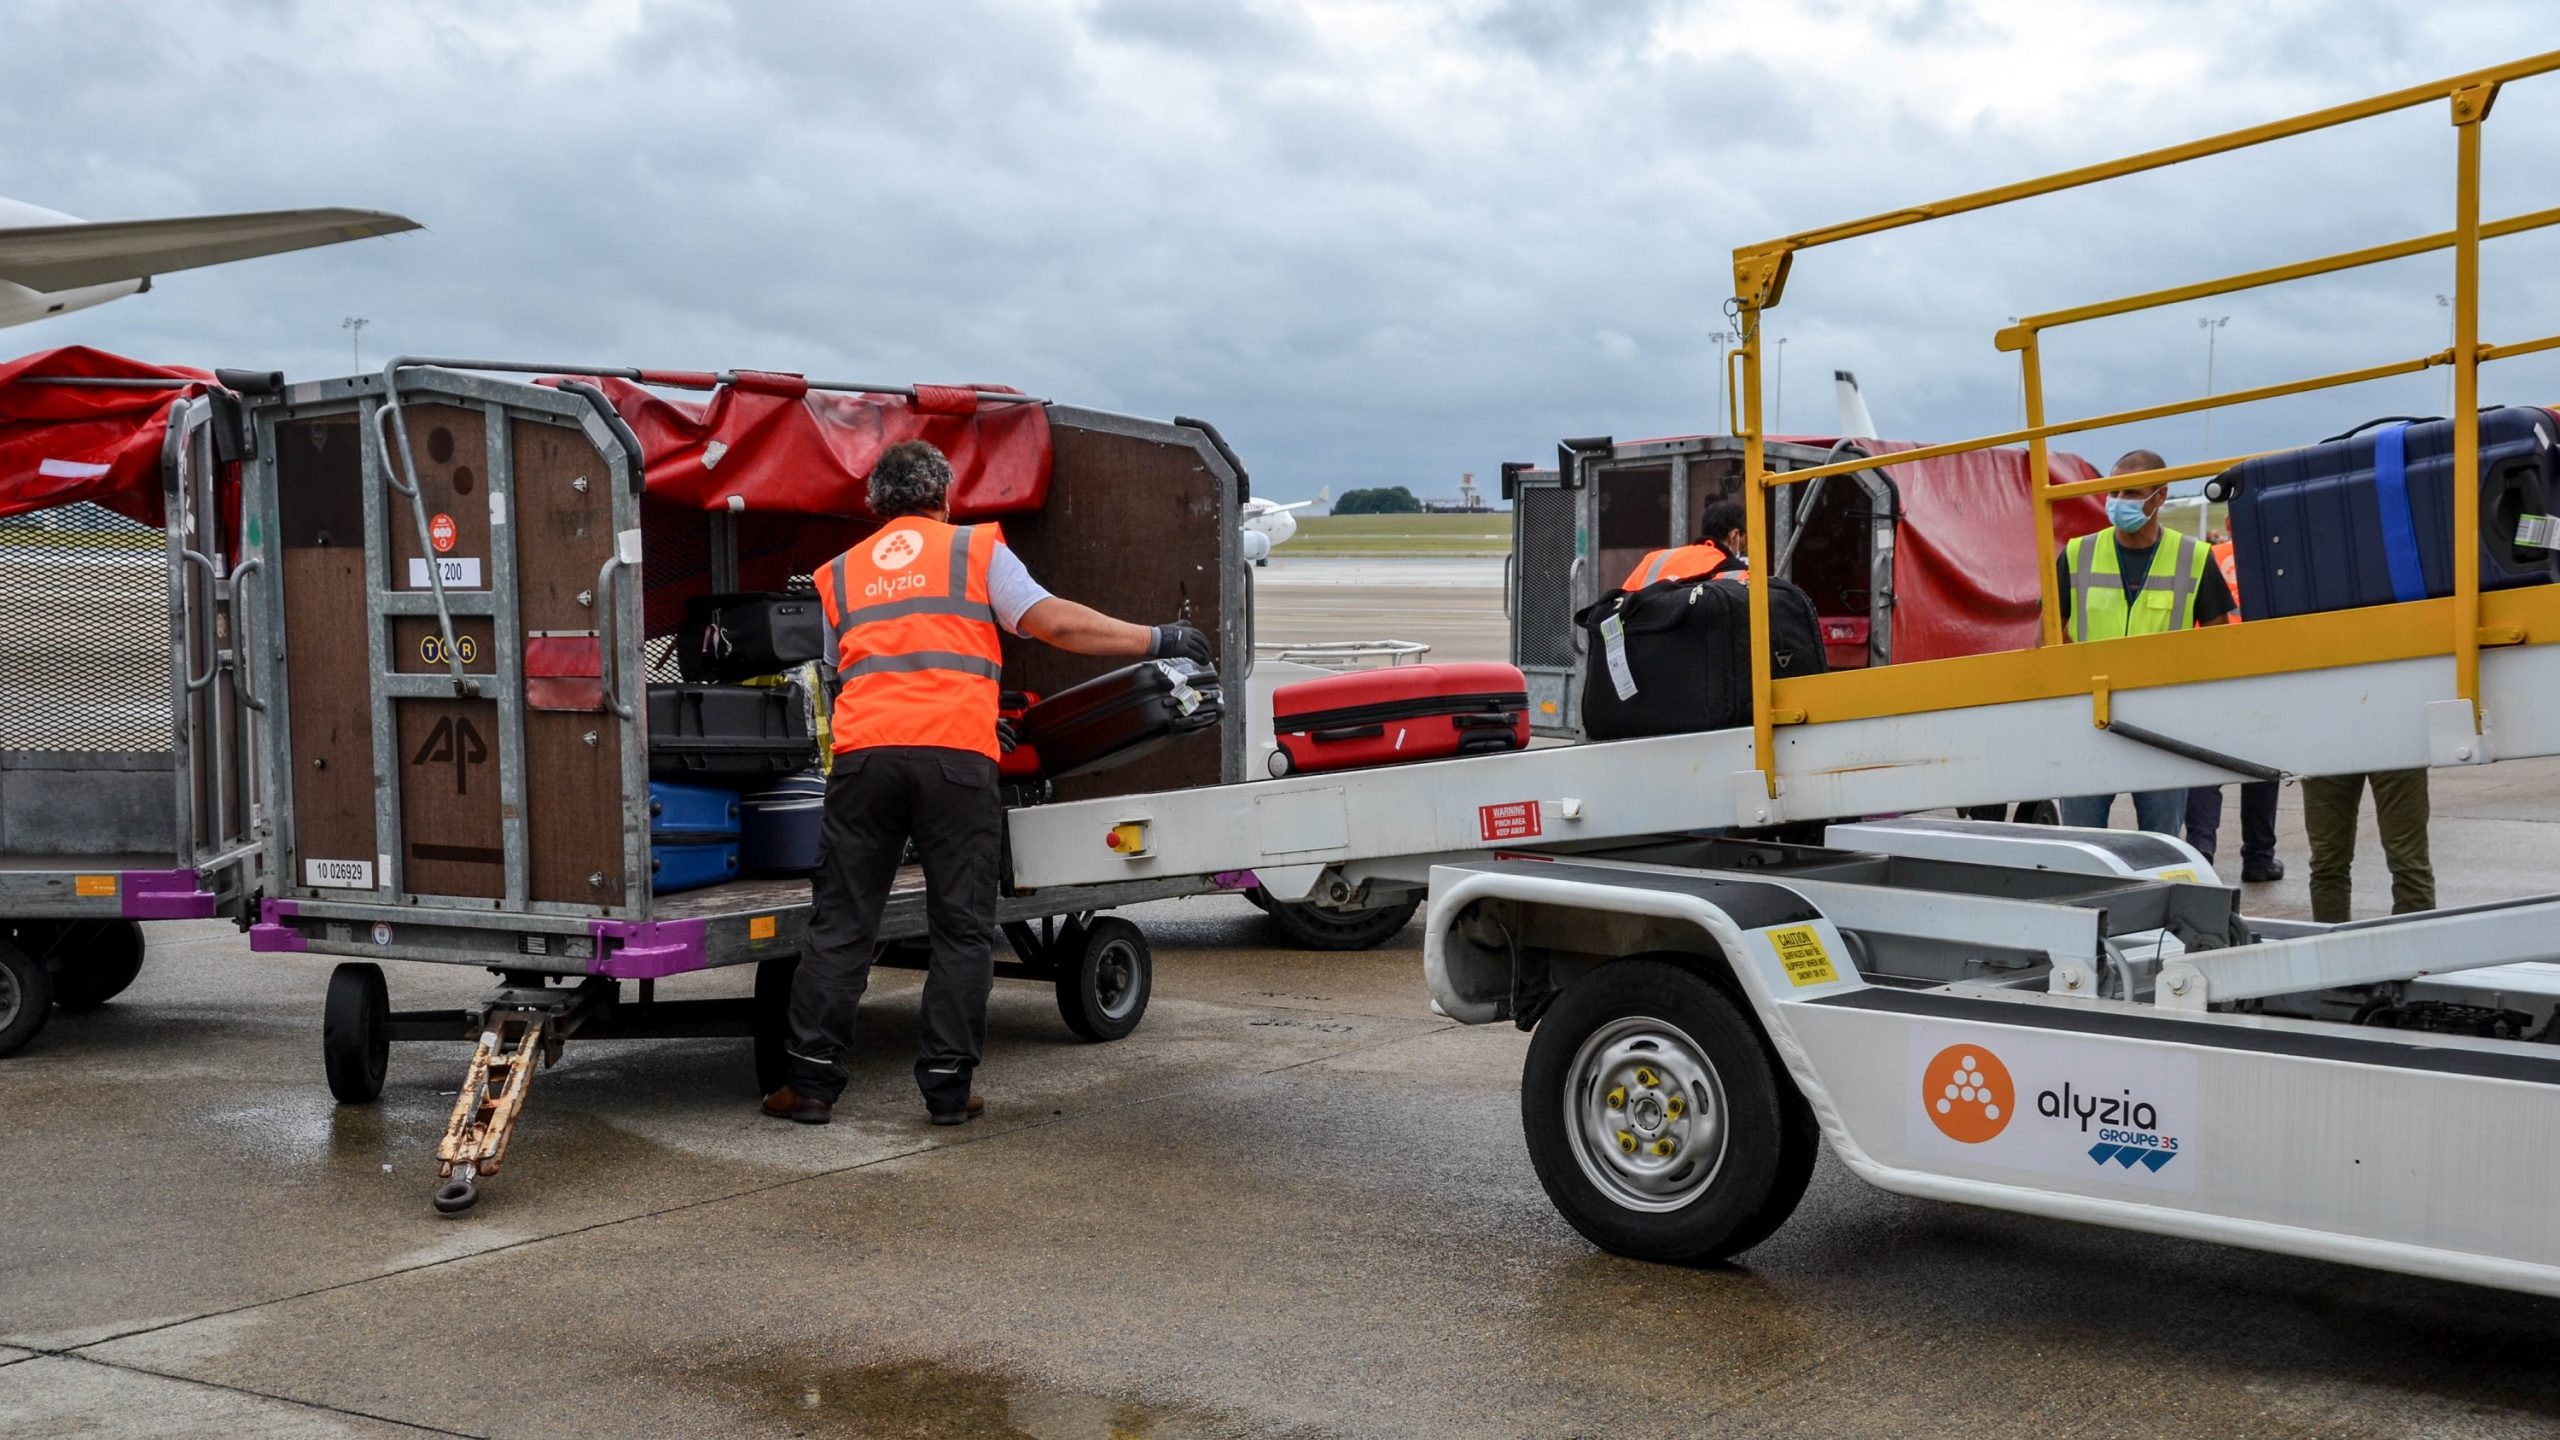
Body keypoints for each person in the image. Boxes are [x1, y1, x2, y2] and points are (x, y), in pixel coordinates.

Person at [764, 440, 1211, 1127]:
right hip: (956, 760)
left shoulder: (840, 574)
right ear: (945, 499)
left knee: (842, 927)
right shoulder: (974, 550)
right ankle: (947, 1091)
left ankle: (812, 1086)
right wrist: (1156, 640)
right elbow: (1052, 622)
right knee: (962, 930)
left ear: (873, 504)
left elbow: (845, 673)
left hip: (865, 763)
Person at [2052, 450, 2234, 836]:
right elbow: (2048, 634)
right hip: (2088, 720)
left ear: (2160, 497)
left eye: (2132, 494)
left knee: (2160, 845)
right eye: (2114, 493)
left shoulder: (2195, 558)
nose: (2119, 503)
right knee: (2083, 847)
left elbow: (2220, 643)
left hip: (2163, 726)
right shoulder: (2076, 554)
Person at [2181, 529, 2284, 881]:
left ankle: (2201, 849)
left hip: (2209, 669)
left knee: (2206, 768)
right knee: (2260, 769)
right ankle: (2258, 857)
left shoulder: (2208, 555)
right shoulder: (2276, 555)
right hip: (2259, 670)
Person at [2301, 769, 2433, 922]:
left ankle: (2416, 941)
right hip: (2329, 753)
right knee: (2327, 864)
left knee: (2409, 864)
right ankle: (2332, 940)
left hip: (2391, 753)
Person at [1622, 499, 1750, 589]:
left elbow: (1621, 604)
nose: (1744, 546)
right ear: (1734, 536)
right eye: (1745, 540)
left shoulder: (1654, 560)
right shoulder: (1737, 575)